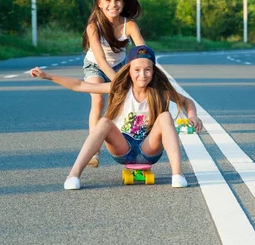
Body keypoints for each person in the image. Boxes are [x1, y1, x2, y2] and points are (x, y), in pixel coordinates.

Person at [30, 45, 203, 190]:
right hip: (123, 148)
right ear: (128, 70)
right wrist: (48, 76)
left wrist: (193, 116)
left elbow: (187, 102)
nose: (142, 74)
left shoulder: (160, 92)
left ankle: (178, 174)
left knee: (165, 116)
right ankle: (73, 175)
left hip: (148, 148)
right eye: (137, 70)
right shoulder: (119, 88)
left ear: (153, 71)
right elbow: (80, 85)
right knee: (104, 121)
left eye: (147, 70)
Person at [82, 0, 146, 168]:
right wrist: (119, 81)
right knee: (98, 100)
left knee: (122, 104)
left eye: (118, 0)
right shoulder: (94, 26)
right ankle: (94, 151)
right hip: (95, 65)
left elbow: (142, 51)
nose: (113, 5)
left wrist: (146, 71)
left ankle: (129, 144)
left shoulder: (130, 25)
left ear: (124, 3)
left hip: (119, 65)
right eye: (108, 0)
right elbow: (101, 60)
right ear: (99, 3)